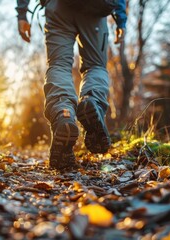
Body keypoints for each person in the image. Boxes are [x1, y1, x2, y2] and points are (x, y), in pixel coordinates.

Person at [16, 0, 127, 170]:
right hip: (96, 10)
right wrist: (121, 19)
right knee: (95, 66)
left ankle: (63, 112)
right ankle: (93, 102)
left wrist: (22, 14)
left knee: (59, 64)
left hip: (58, 8)